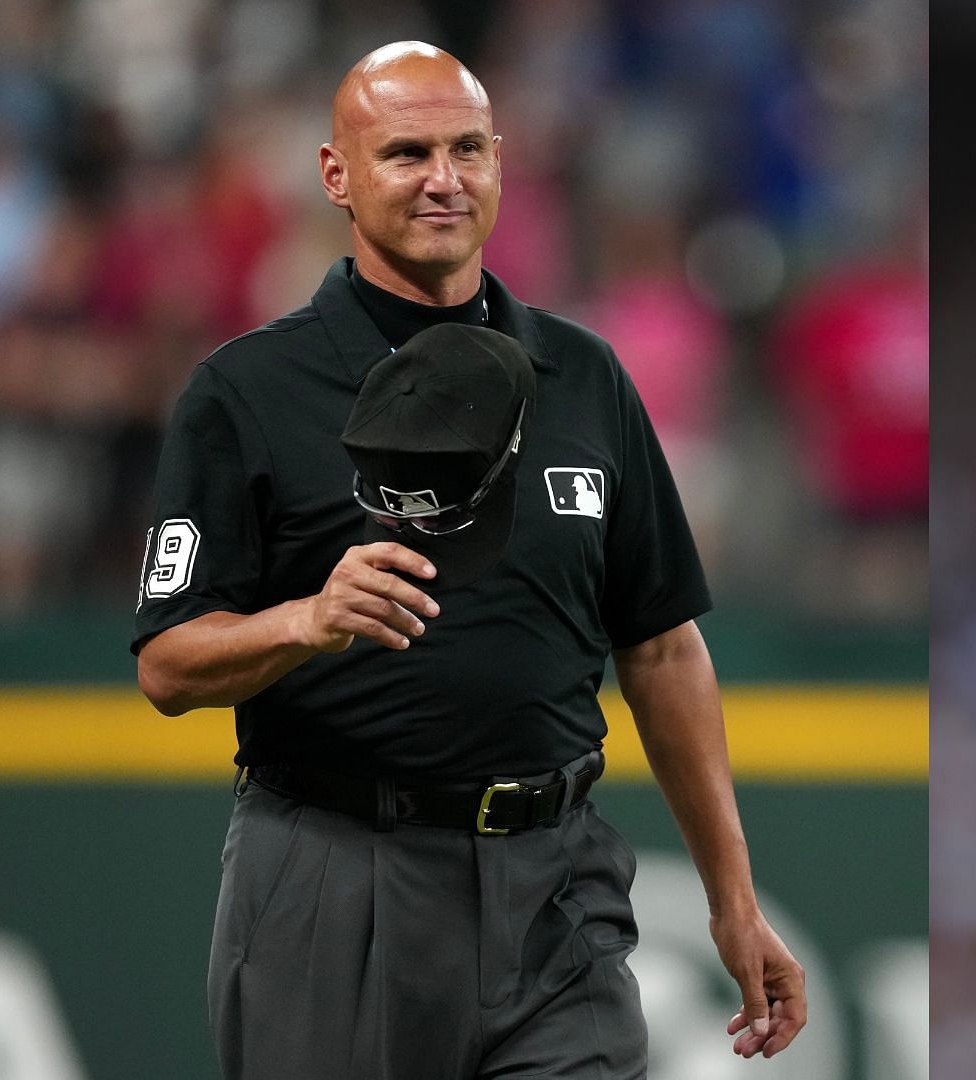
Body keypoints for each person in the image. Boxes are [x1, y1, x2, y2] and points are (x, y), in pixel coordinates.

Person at [133, 41, 804, 1077]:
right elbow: (168, 662)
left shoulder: (583, 377)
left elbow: (663, 648)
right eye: (405, 152)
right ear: (336, 174)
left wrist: (733, 900)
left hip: (556, 884)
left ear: (501, 163)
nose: (443, 179)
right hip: (336, 873)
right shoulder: (249, 390)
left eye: (467, 149)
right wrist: (307, 618)